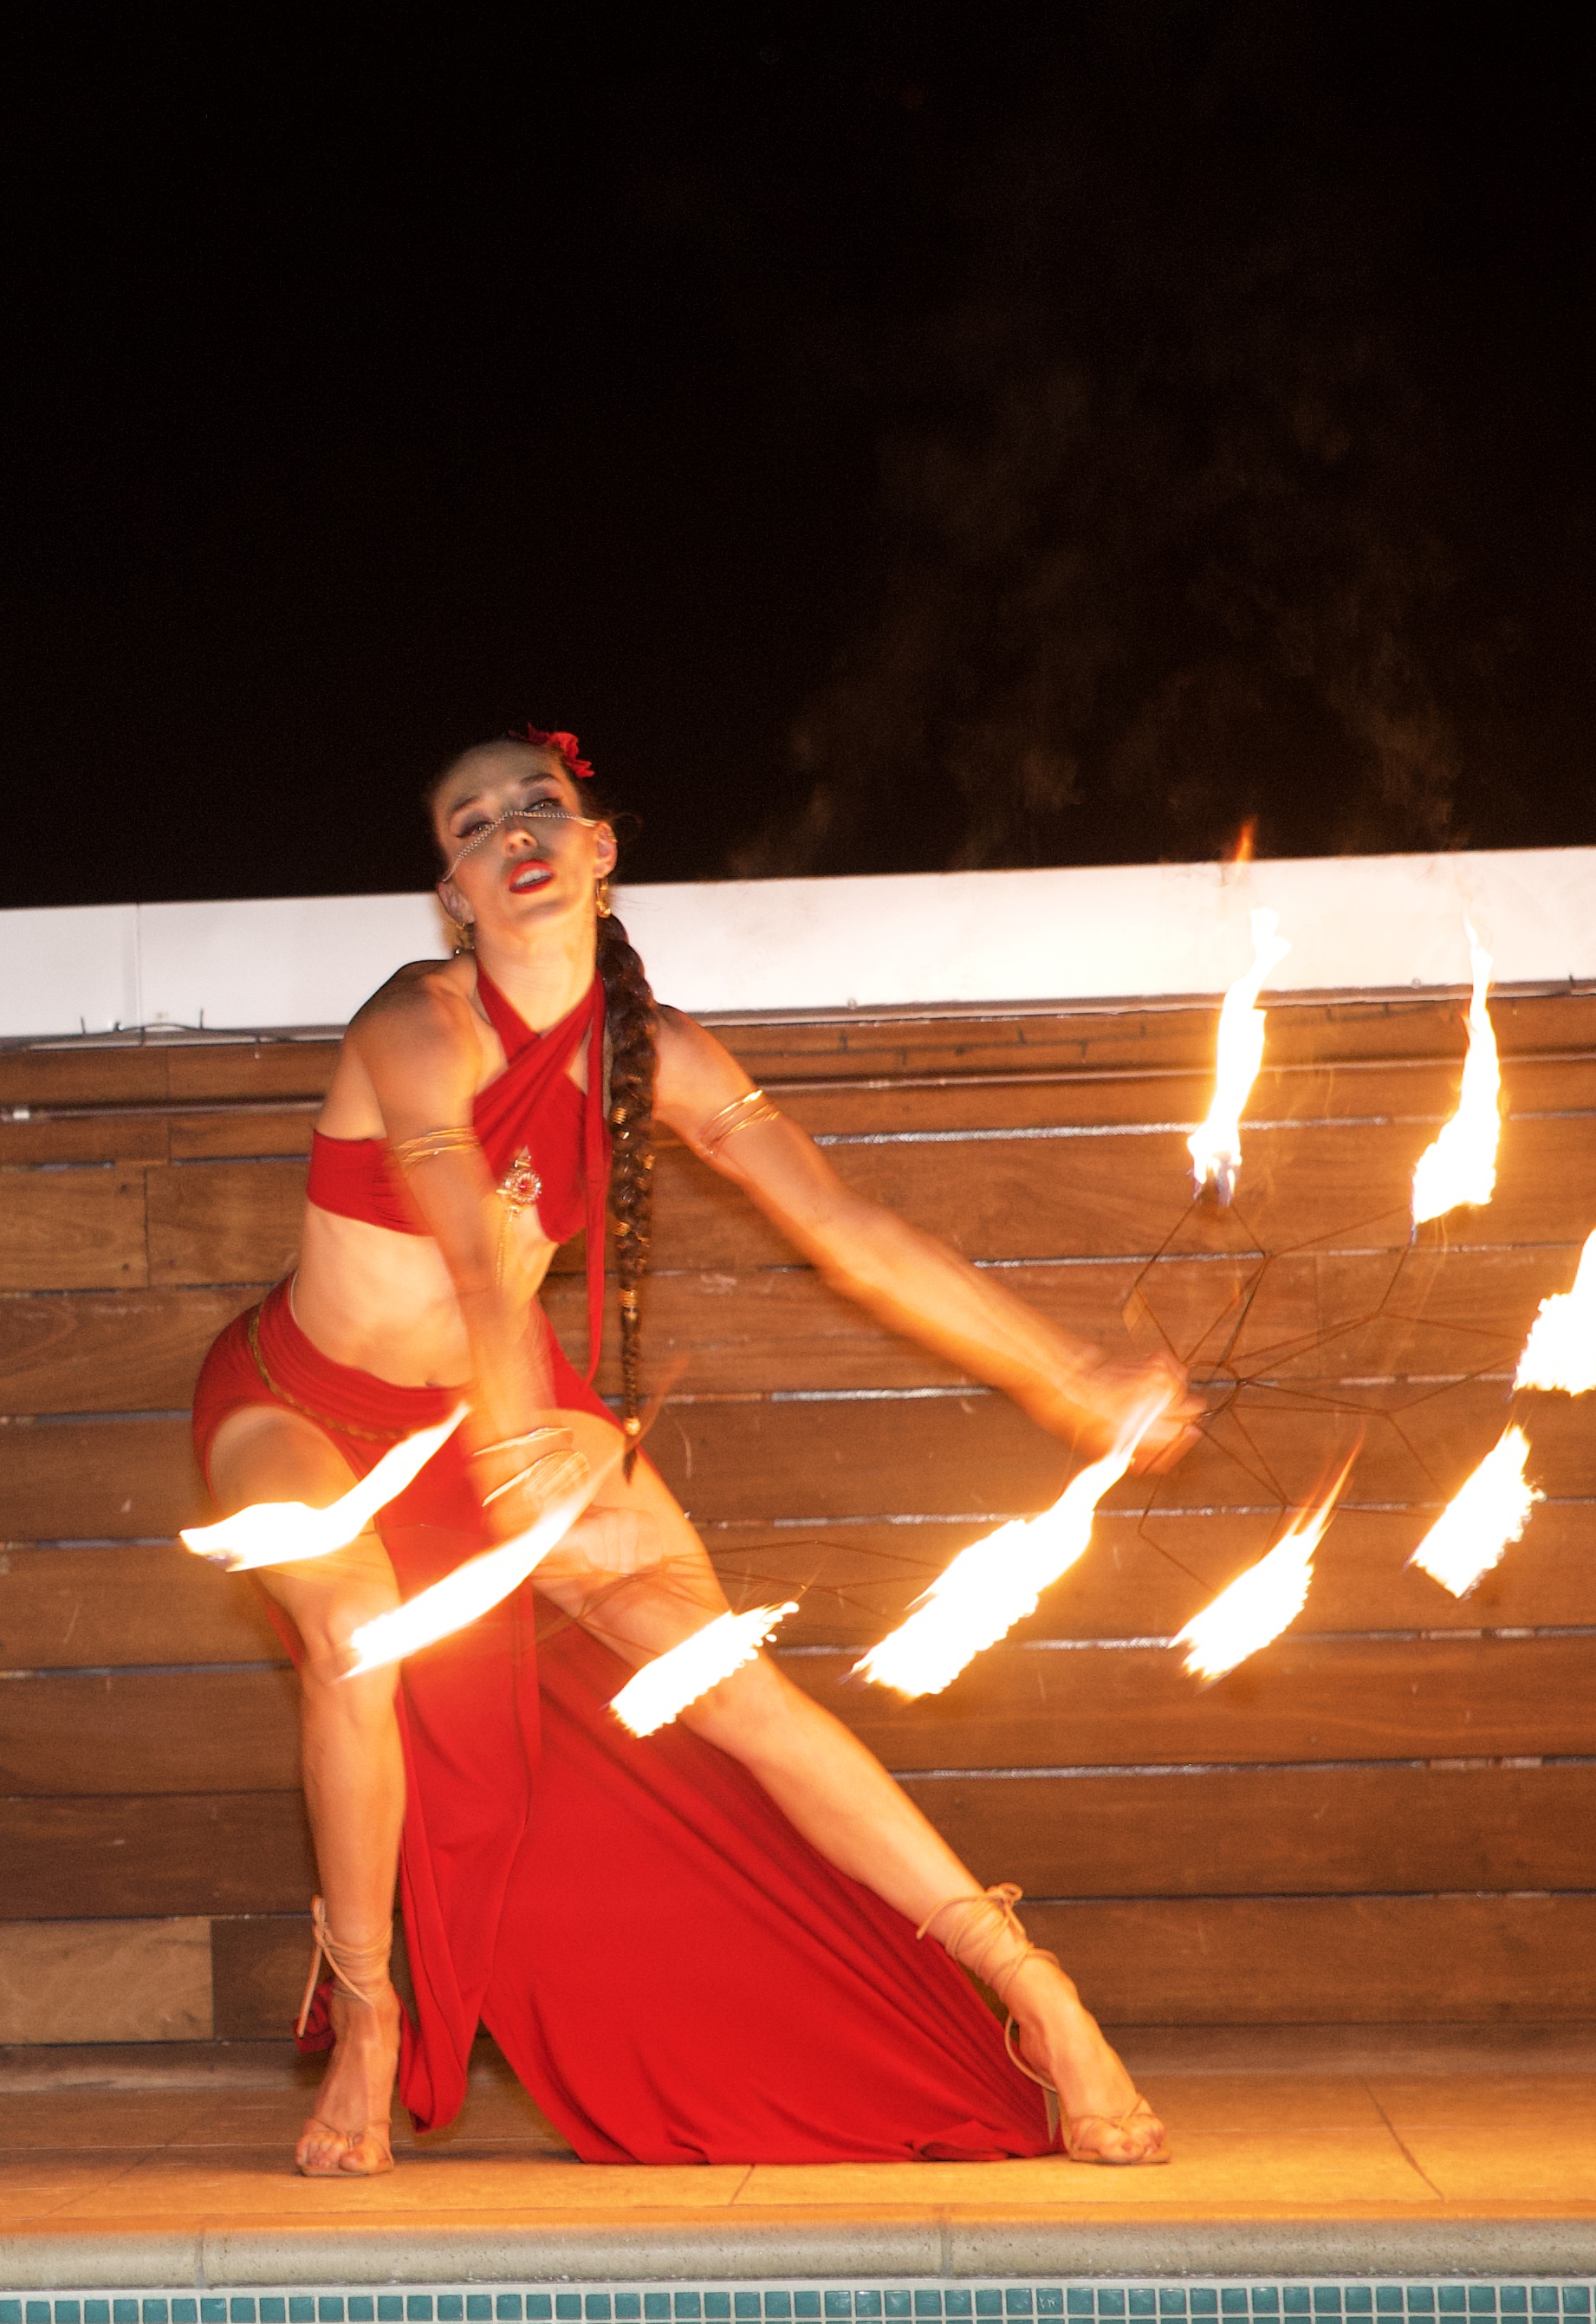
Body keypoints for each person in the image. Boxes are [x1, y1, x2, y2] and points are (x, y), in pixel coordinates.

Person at [192, 728, 1188, 2178]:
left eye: (541, 806)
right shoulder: (417, 1023)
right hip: (307, 1409)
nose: (513, 830)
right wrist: (520, 1415)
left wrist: (1069, 1373)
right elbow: (466, 1224)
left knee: (741, 1691)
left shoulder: (658, 1057)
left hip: (503, 1409)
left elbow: (849, 1232)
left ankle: (1039, 1992)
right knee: (353, 1635)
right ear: (454, 895)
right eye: (475, 826)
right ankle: (368, 2021)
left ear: (600, 851)